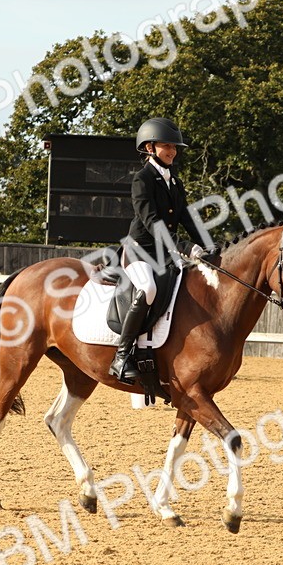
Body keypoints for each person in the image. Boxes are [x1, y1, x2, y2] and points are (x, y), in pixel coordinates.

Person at [109, 117, 210, 383]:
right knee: (148, 290)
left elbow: (187, 217)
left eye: (175, 147)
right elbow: (151, 221)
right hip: (140, 250)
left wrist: (208, 244)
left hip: (165, 253)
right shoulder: (142, 180)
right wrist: (184, 246)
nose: (173, 151)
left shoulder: (174, 181)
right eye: (167, 146)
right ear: (150, 148)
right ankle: (121, 356)